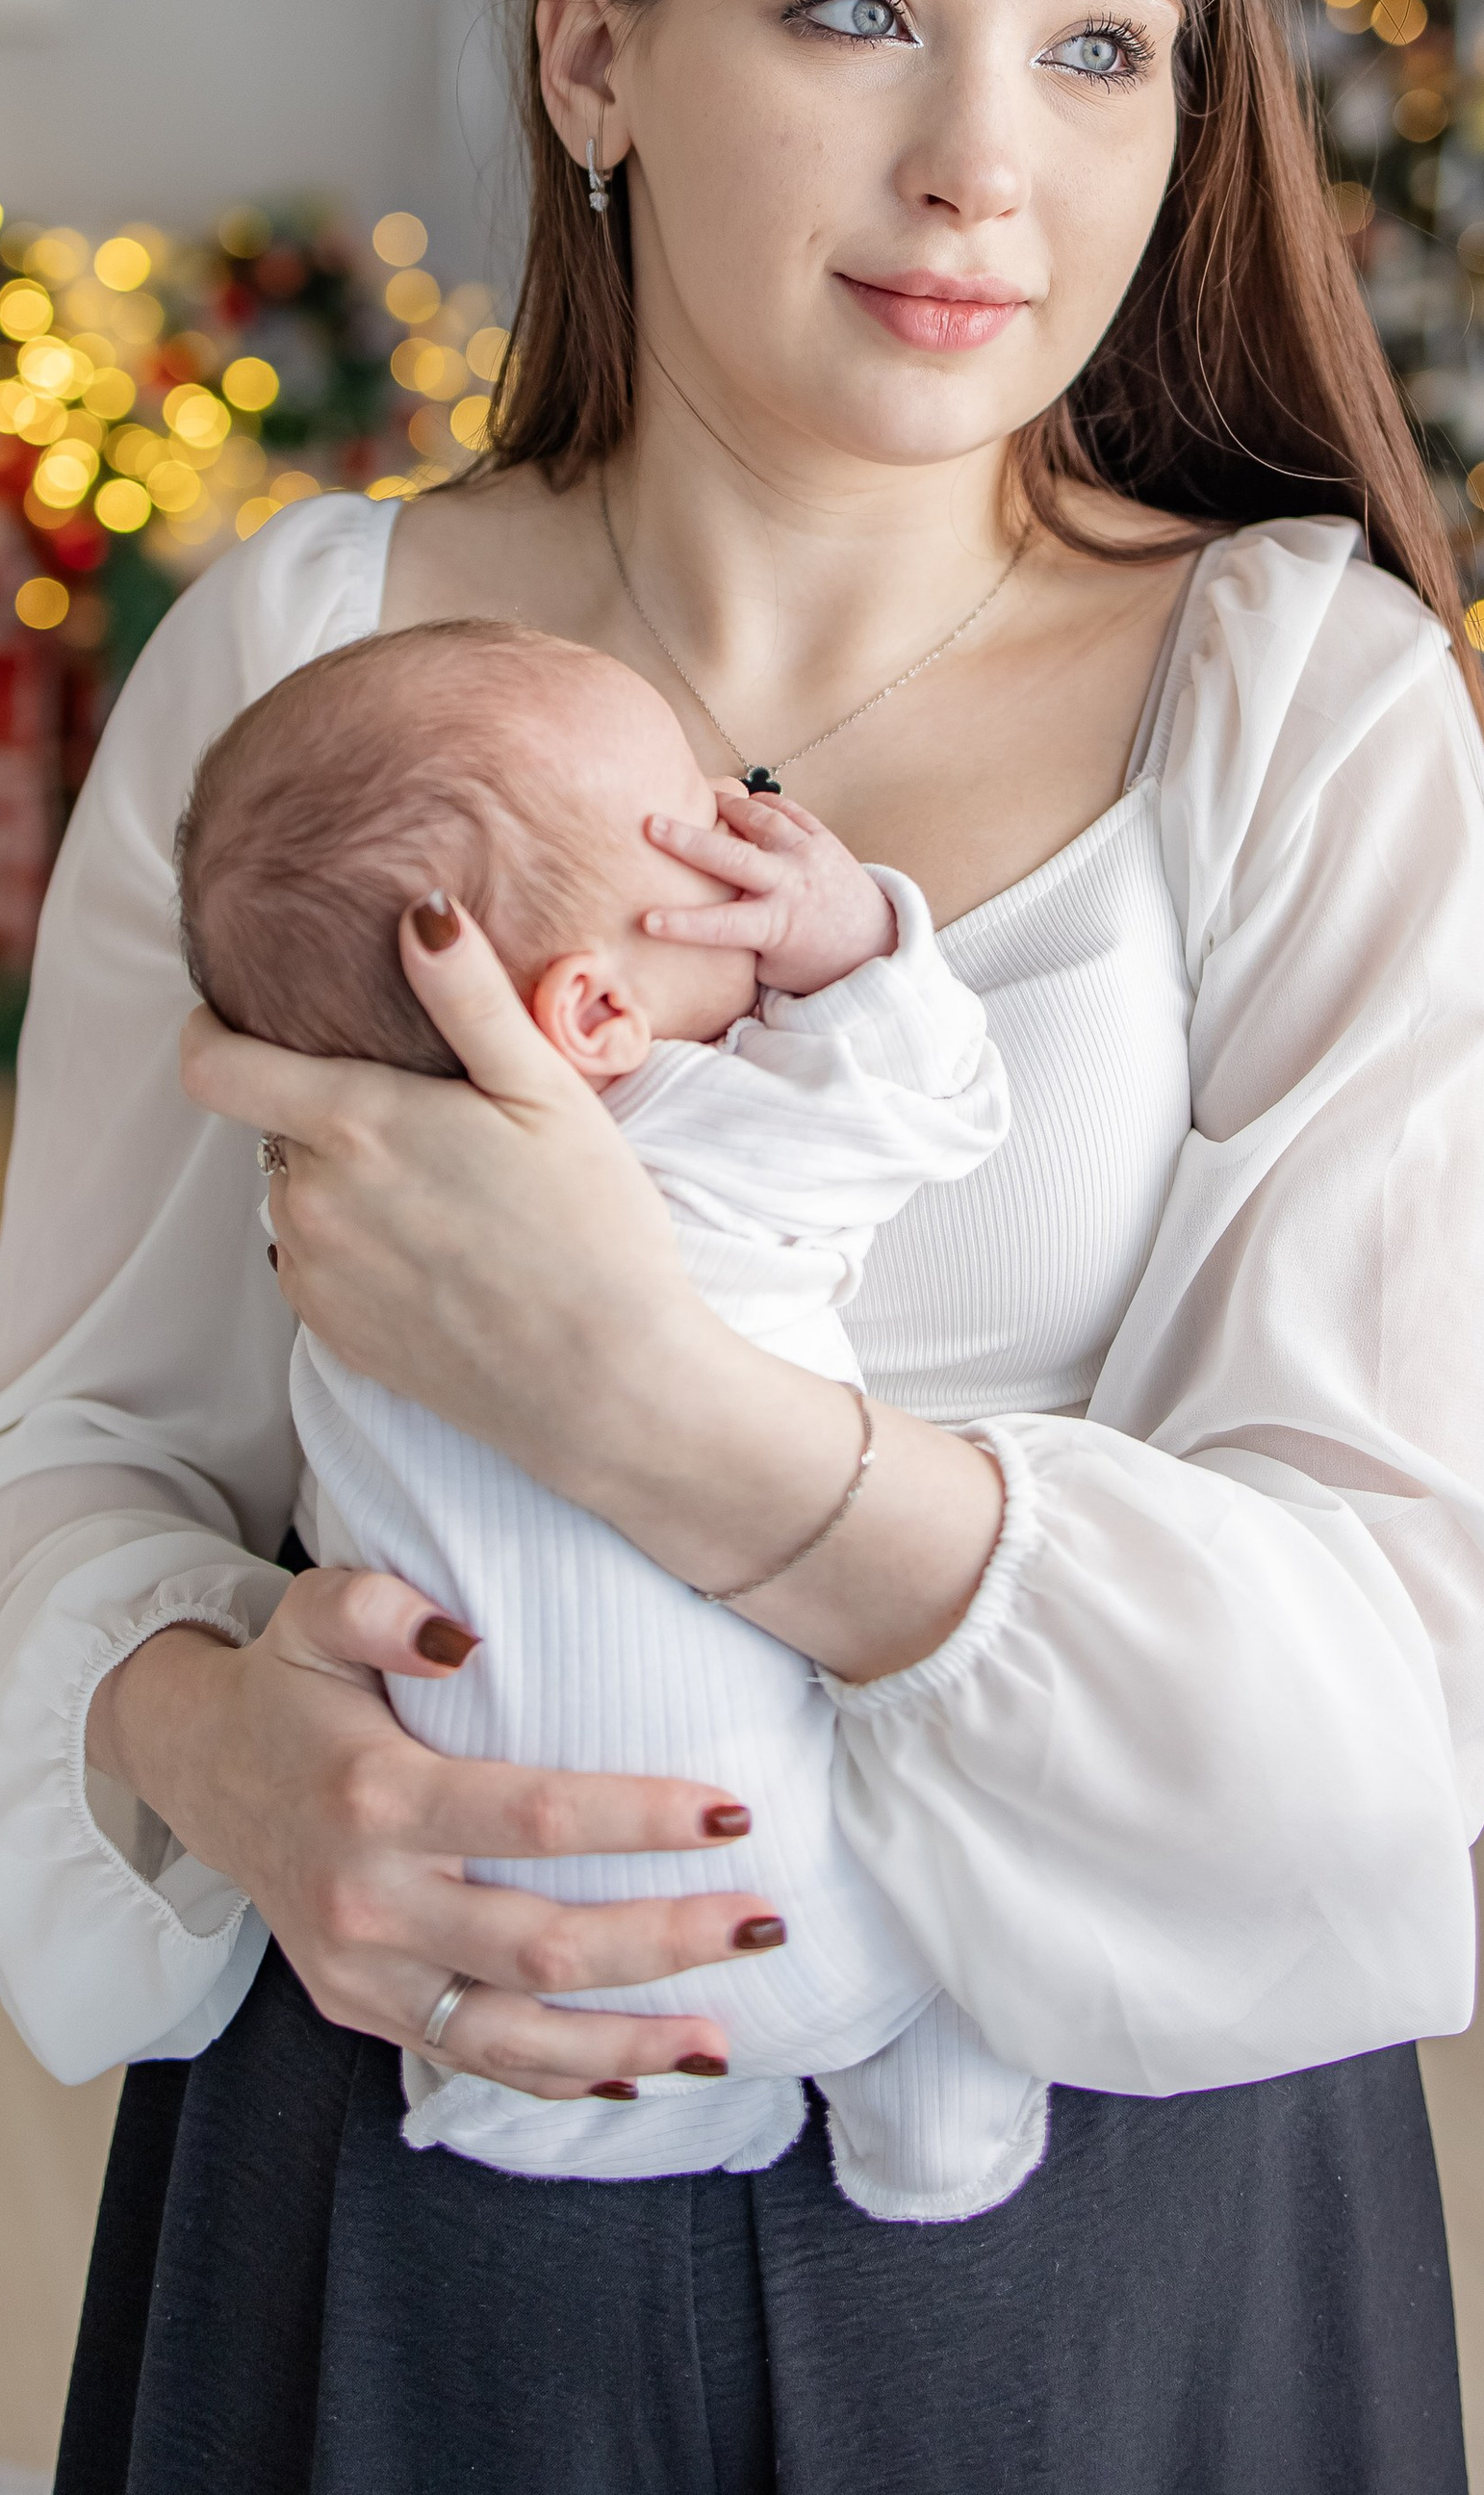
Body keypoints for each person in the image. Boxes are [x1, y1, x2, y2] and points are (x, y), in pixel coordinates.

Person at [0, 0, 1484, 2493]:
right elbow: (53, 1456)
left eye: (1100, 48)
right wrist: (207, 1746)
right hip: (417, 2171)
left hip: (1104, 2220)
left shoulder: (1308, 701)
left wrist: (658, 1410)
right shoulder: (309, 661)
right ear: (593, 60)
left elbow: (1392, 1679)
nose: (979, 168)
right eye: (854, 7)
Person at [174, 618, 1040, 2216]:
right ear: (588, 1019)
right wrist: (850, 934)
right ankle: (931, 2127)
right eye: (697, 825)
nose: (736, 819)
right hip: (802, 1901)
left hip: (483, 1925)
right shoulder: (694, 1142)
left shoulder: (339, 1215)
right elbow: (931, 1105)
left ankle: (574, 2120)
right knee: (973, 1849)